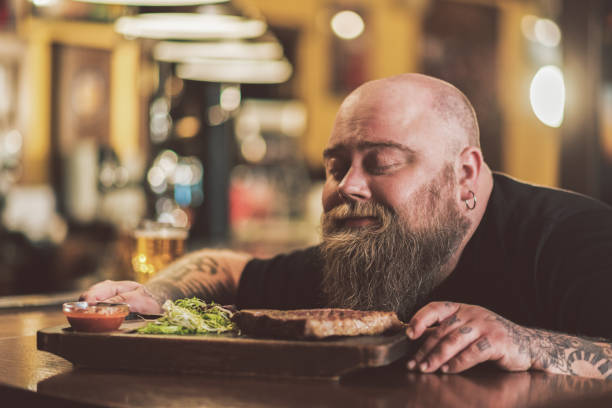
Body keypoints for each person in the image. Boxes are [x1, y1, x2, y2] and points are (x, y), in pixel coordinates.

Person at [81, 73, 612, 379]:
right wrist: (155, 293)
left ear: (465, 173)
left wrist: (531, 345)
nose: (348, 186)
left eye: (381, 162)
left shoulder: (575, 241)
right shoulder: (369, 250)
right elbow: (226, 268)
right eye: (335, 166)